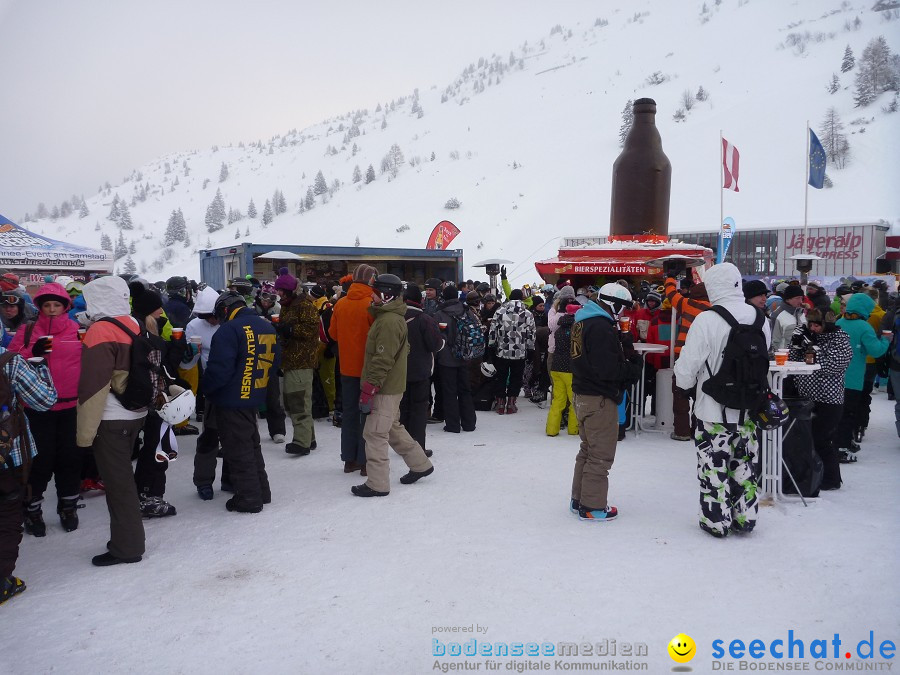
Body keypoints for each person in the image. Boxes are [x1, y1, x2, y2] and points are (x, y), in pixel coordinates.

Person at [673, 263, 772, 538]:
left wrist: (683, 388)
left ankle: (716, 521)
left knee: (713, 467)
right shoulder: (760, 318)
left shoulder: (707, 319)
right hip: (749, 409)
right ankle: (746, 518)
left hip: (713, 410)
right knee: (745, 465)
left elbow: (688, 364)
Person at [77, 276, 151, 566]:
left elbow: (94, 387)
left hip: (110, 418)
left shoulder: (100, 330)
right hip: (136, 413)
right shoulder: (134, 323)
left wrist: (84, 435)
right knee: (124, 481)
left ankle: (127, 548)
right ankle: (127, 541)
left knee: (119, 486)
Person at [8, 282, 83, 535]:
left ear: (65, 307)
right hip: (36, 407)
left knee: (69, 459)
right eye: (47, 305)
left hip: (70, 406)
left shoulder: (76, 330)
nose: (52, 310)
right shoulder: (27, 330)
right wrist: (32, 350)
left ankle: (68, 505)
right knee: (39, 460)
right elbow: (9, 361)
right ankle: (32, 510)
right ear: (39, 307)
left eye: (57, 305)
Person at [351, 274, 434, 497]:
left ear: (386, 294)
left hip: (384, 387)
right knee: (391, 427)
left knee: (375, 433)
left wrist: (370, 388)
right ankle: (420, 464)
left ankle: (377, 484)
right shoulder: (390, 317)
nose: (372, 297)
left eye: (375, 293)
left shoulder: (388, 321)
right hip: (390, 385)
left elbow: (383, 359)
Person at [202, 291, 280, 513]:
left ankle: (249, 497)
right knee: (251, 445)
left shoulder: (228, 331)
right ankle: (261, 491)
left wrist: (206, 389)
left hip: (230, 398)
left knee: (238, 448)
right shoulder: (266, 326)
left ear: (225, 310)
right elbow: (274, 365)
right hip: (254, 395)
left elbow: (219, 371)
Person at [569, 284, 641, 522]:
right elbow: (608, 369)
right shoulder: (600, 327)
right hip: (598, 398)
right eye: (622, 308)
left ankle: (579, 498)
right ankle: (592, 506)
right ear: (614, 304)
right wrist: (633, 367)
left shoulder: (583, 320)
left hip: (583, 394)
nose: (622, 314)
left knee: (587, 450)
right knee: (600, 455)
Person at [0, 326, 57, 603]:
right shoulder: (8, 361)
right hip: (8, 455)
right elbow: (45, 400)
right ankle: (2, 582)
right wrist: (42, 368)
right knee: (8, 515)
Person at [788, 309, 852, 490]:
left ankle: (831, 479)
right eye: (810, 324)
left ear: (827, 325)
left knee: (823, 439)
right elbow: (794, 362)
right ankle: (809, 475)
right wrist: (796, 344)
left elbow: (832, 366)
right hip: (806, 397)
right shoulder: (808, 336)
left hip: (829, 399)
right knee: (806, 440)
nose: (813, 328)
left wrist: (813, 347)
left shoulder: (840, 338)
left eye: (817, 325)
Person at [328, 264, 377, 473]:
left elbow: (333, 334)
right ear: (371, 280)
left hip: (346, 368)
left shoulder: (340, 304)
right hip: (368, 369)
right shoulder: (372, 304)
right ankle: (366, 461)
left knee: (348, 413)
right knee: (367, 414)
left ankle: (349, 459)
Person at [834, 293, 889, 463]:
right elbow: (876, 350)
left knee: (838, 413)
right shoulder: (864, 327)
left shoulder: (839, 323)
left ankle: (843, 442)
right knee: (849, 413)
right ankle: (842, 448)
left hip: (836, 377)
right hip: (854, 378)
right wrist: (886, 340)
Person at [272, 271, 320, 456]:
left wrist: (290, 328)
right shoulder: (288, 305)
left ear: (289, 290)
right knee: (293, 402)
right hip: (291, 360)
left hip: (302, 361)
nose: (278, 294)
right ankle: (309, 438)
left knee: (298, 401)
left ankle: (302, 443)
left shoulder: (304, 305)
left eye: (281, 291)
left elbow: (311, 329)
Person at [187, 287, 228, 500]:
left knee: (233, 436)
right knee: (210, 437)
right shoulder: (193, 326)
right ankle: (203, 481)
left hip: (232, 386)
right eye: (206, 318)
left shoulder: (230, 325)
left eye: (213, 317)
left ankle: (230, 478)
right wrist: (188, 353)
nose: (211, 321)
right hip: (211, 385)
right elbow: (188, 364)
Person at [664, 272, 710, 441]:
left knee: (680, 393)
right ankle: (697, 430)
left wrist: (670, 278)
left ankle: (681, 431)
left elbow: (670, 293)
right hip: (706, 358)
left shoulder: (687, 303)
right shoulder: (715, 308)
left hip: (683, 354)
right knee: (700, 395)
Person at [399, 284, 443, 458]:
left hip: (398, 371)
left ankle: (403, 444)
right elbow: (435, 344)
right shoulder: (425, 319)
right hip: (420, 371)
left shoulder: (394, 317)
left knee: (403, 408)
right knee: (418, 409)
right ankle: (417, 447)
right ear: (420, 300)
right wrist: (444, 340)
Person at [433, 285, 478, 432]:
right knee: (465, 390)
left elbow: (437, 337)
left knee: (449, 391)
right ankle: (469, 423)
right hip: (464, 356)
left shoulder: (439, 314)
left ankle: (452, 424)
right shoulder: (467, 311)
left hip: (446, 359)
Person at [487, 288, 536, 414]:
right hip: (519, 352)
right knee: (516, 377)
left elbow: (493, 330)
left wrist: (492, 345)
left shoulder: (500, 311)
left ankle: (500, 403)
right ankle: (511, 404)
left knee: (501, 376)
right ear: (521, 298)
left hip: (502, 351)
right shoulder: (527, 314)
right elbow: (531, 334)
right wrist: (530, 349)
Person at [546, 303, 579, 436]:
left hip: (556, 367)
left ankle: (551, 429)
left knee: (558, 400)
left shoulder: (558, 330)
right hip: (570, 369)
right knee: (573, 401)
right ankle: (573, 429)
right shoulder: (576, 330)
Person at [771, 285, 807, 352]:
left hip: (802, 355)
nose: (800, 301)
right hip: (786, 356)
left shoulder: (801, 313)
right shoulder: (776, 315)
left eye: (801, 298)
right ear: (787, 299)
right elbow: (774, 340)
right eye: (797, 298)